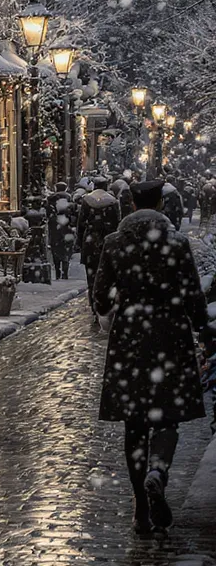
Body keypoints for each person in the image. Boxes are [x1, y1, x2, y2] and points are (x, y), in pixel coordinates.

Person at [94, 178, 211, 536]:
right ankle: (158, 471)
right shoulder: (175, 243)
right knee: (166, 419)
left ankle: (140, 508)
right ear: (161, 205)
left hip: (130, 337)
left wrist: (120, 301)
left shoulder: (114, 243)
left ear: (130, 204)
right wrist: (201, 327)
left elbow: (100, 297)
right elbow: (192, 293)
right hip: (169, 334)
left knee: (135, 424)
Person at [77, 176, 121, 323]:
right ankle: (106, 304)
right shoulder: (112, 201)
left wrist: (80, 242)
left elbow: (81, 224)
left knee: (92, 278)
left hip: (90, 244)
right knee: (108, 277)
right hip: (107, 243)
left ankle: (94, 306)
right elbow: (117, 223)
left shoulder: (87, 201)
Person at [46, 182, 76, 280]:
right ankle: (65, 272)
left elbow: (48, 213)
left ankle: (58, 271)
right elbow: (74, 214)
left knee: (56, 250)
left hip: (55, 229)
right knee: (66, 250)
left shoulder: (51, 199)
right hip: (67, 228)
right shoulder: (70, 199)